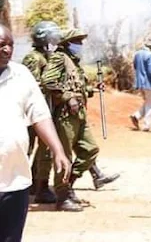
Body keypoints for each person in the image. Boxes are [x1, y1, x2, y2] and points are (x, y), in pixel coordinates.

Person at [0, 24, 71, 242]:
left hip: (15, 181)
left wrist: (58, 150)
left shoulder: (21, 75)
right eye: (1, 45)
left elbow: (39, 114)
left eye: (10, 44)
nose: (7, 50)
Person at [41, 28, 119, 212]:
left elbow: (77, 86)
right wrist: (68, 97)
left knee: (90, 150)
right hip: (65, 115)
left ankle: (69, 184)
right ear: (67, 44)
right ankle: (62, 196)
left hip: (79, 114)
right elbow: (48, 81)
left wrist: (92, 89)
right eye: (77, 41)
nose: (80, 45)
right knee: (65, 156)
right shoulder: (60, 58)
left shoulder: (74, 63)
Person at [22, 21, 62, 204]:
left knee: (44, 151)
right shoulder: (34, 58)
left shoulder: (46, 57)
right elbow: (32, 85)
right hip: (29, 115)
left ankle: (38, 184)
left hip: (43, 111)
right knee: (26, 149)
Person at [130, 43, 151, 132]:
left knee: (148, 102)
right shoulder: (150, 55)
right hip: (149, 83)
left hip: (140, 83)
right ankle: (146, 125)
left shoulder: (137, 54)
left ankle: (136, 116)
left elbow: (135, 67)